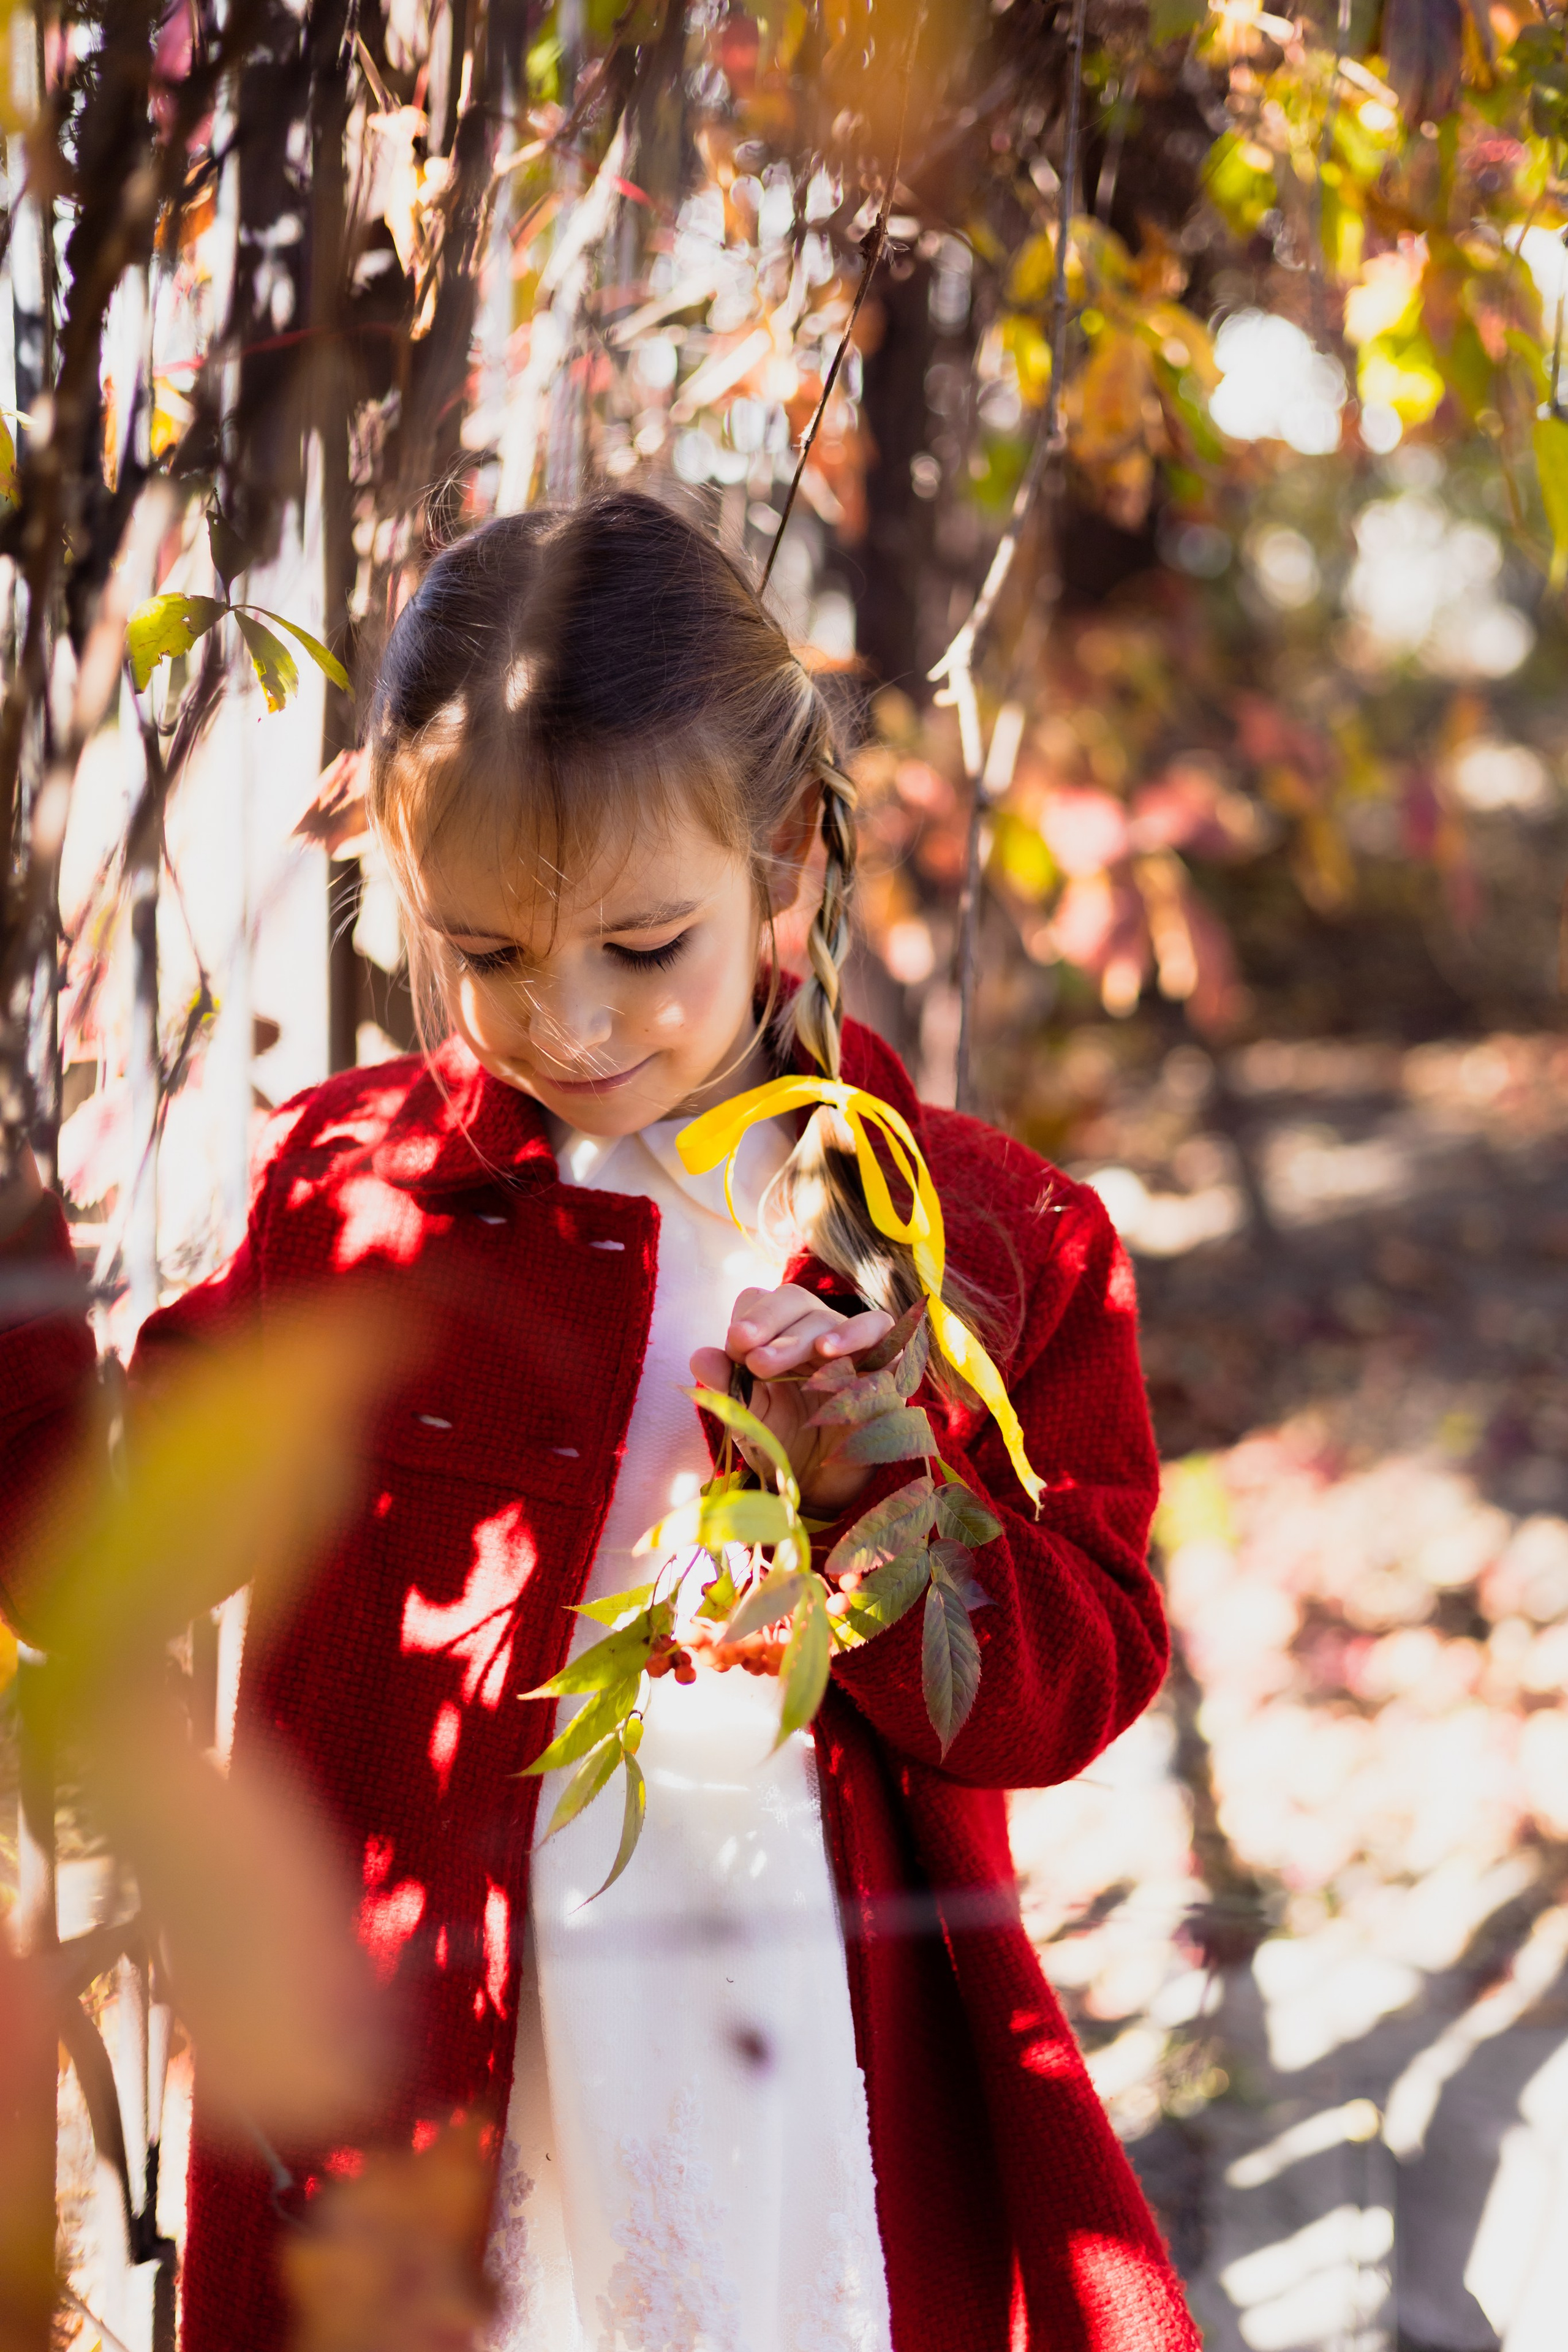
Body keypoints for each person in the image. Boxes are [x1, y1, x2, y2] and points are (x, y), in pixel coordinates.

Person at [0, 491, 1199, 2351]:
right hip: (424, 2110)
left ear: (787, 866)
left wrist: (879, 1484)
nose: (567, 1021)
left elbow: (1067, 1687)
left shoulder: (984, 1237)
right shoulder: (355, 1197)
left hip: (795, 2093)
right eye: (485, 954)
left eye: (646, 945)